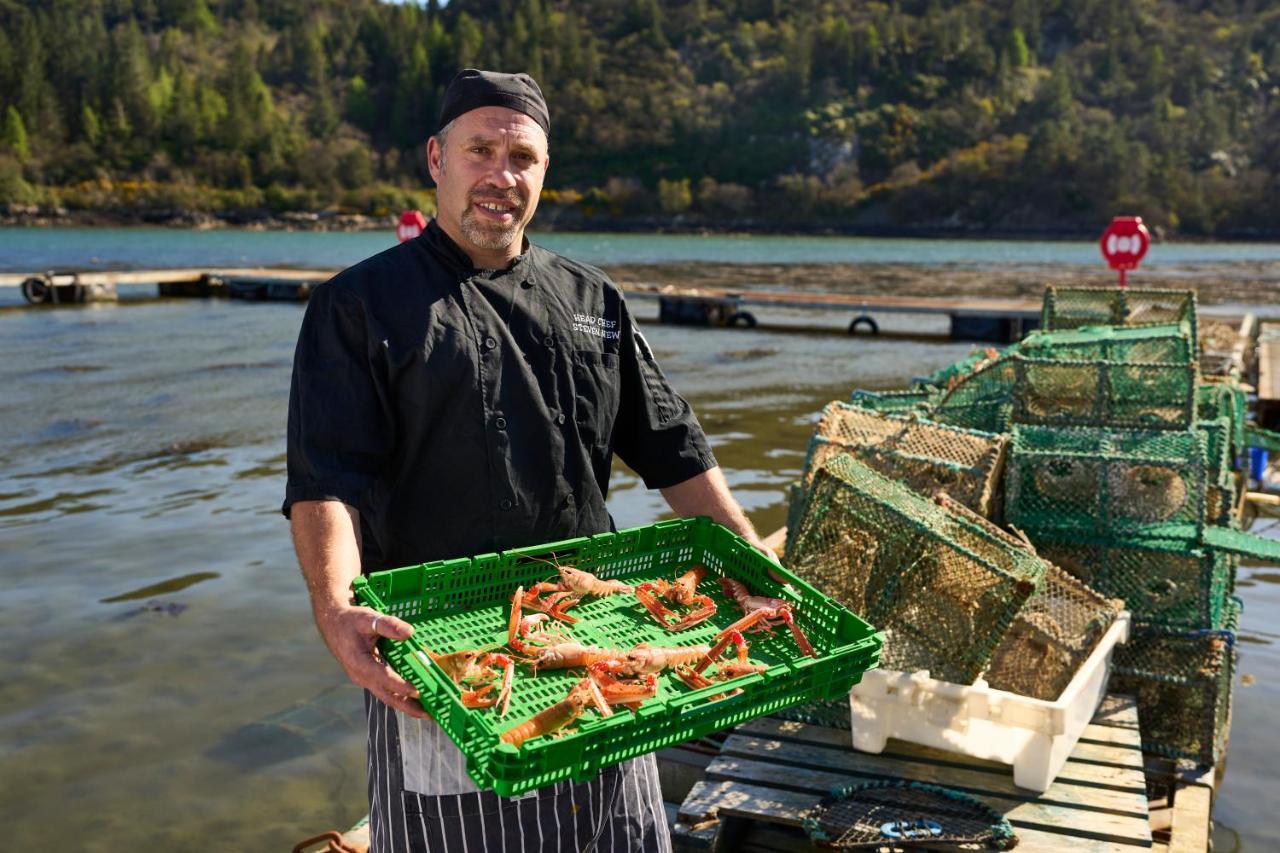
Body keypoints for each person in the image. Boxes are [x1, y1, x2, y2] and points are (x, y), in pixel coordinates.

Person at [284, 68, 774, 852]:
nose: (500, 176)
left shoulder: (593, 300)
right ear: (436, 158)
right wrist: (335, 605)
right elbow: (324, 482)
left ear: (544, 172)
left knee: (613, 832)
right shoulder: (356, 306)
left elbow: (673, 447)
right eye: (480, 151)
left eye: (522, 158)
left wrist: (752, 562)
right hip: (440, 652)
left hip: (595, 630)